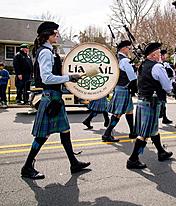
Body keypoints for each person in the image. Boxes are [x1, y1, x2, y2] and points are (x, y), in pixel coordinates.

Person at [21, 21, 90, 179]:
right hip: (50, 97)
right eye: (55, 33)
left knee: (65, 131)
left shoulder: (49, 50)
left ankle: (74, 163)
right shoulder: (45, 52)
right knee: (42, 136)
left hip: (55, 97)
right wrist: (69, 77)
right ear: (48, 35)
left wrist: (69, 78)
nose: (58, 35)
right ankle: (26, 167)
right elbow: (47, 78)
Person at [126, 42, 173, 169]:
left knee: (153, 129)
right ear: (153, 55)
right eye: (158, 53)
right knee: (145, 134)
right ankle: (133, 159)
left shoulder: (142, 65)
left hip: (143, 100)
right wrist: (173, 90)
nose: (160, 55)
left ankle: (161, 152)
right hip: (151, 102)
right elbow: (167, 86)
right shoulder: (157, 67)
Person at [102, 40, 137, 142]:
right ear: (123, 48)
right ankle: (107, 134)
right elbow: (132, 77)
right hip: (123, 88)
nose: (129, 50)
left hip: (120, 87)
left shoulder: (117, 59)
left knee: (129, 111)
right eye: (128, 48)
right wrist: (136, 87)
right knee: (118, 114)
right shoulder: (125, 61)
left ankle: (132, 132)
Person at [159, 49, 175, 124]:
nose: (166, 56)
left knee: (163, 103)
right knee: (161, 103)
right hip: (159, 87)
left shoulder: (165, 64)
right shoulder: (160, 65)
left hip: (163, 86)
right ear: (162, 56)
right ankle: (162, 117)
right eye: (165, 54)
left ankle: (164, 118)